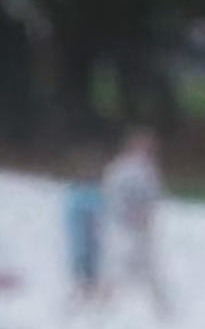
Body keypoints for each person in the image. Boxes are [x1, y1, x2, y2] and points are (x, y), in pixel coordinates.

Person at [102, 126, 173, 318]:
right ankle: (102, 306)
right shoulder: (121, 170)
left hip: (143, 230)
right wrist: (128, 214)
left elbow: (155, 196)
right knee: (117, 268)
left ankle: (163, 310)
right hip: (123, 229)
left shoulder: (149, 170)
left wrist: (147, 215)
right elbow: (113, 196)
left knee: (150, 270)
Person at [60, 161, 109, 311]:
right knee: (79, 260)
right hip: (79, 235)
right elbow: (70, 216)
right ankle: (80, 290)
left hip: (92, 235)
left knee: (92, 262)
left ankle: (90, 291)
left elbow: (103, 213)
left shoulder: (97, 193)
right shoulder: (74, 192)